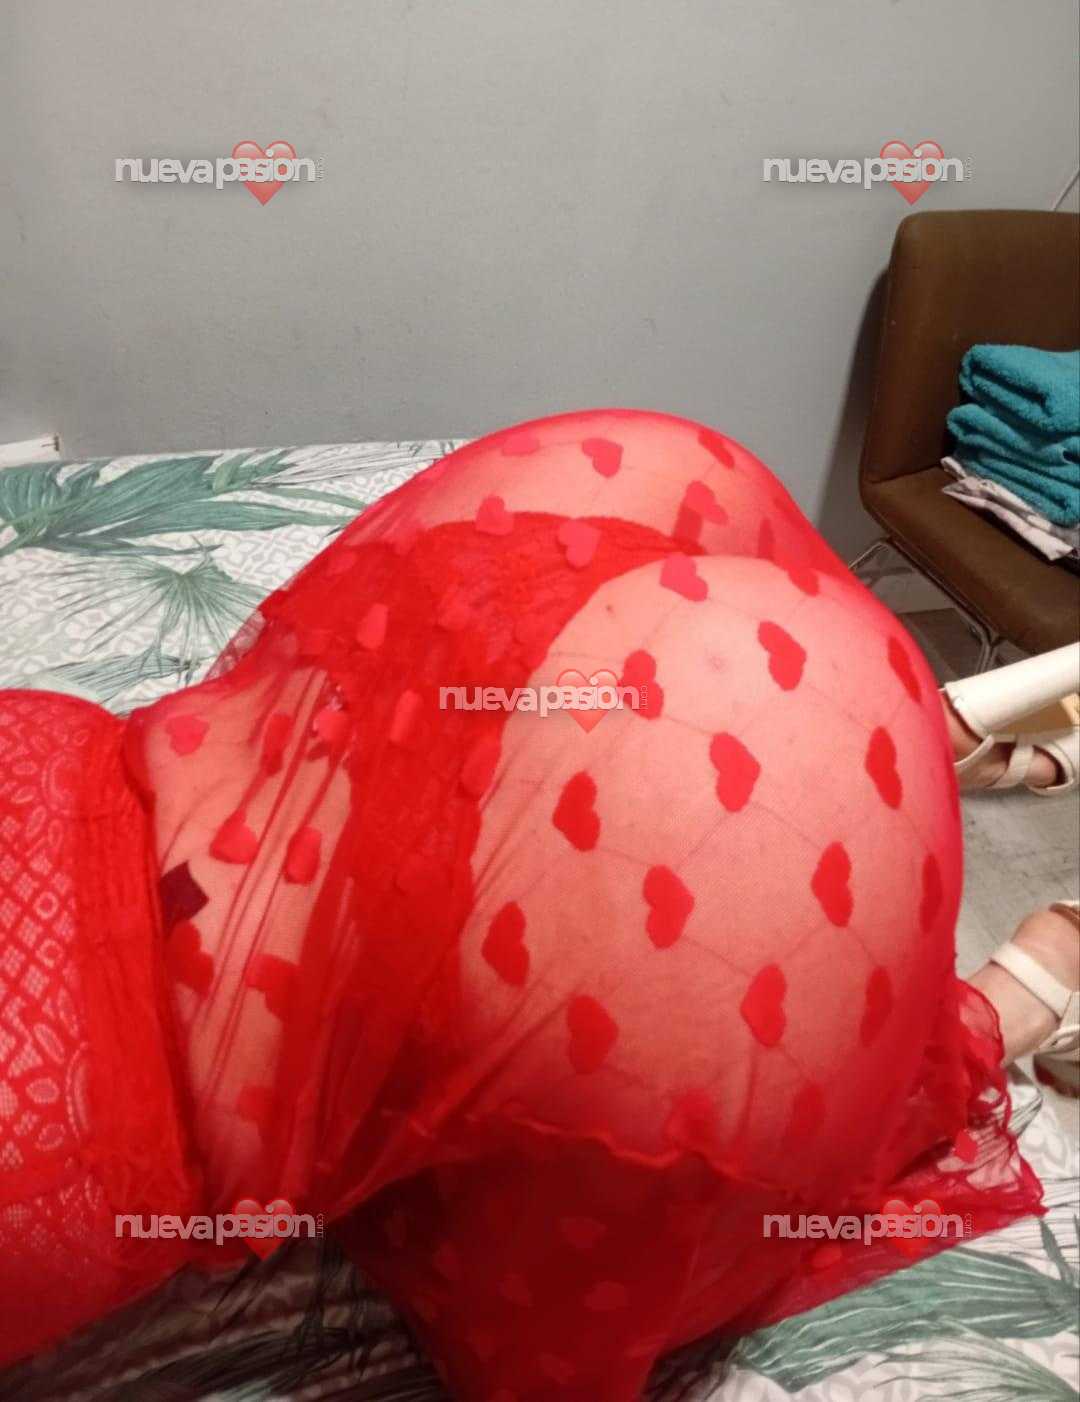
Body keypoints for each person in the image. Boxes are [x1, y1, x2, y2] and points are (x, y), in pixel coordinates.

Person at [0, 409, 1075, 1401]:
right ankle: (924, 769)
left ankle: (909, 761)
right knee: (678, 534)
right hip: (152, 762)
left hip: (346, 838)